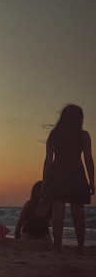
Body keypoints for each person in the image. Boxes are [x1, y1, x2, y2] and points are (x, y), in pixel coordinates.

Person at [41, 104, 94, 254]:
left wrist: (44, 181)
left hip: (57, 173)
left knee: (58, 210)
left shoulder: (54, 135)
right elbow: (89, 159)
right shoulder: (83, 135)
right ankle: (81, 247)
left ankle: (57, 246)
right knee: (78, 211)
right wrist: (92, 180)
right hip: (76, 172)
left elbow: (48, 161)